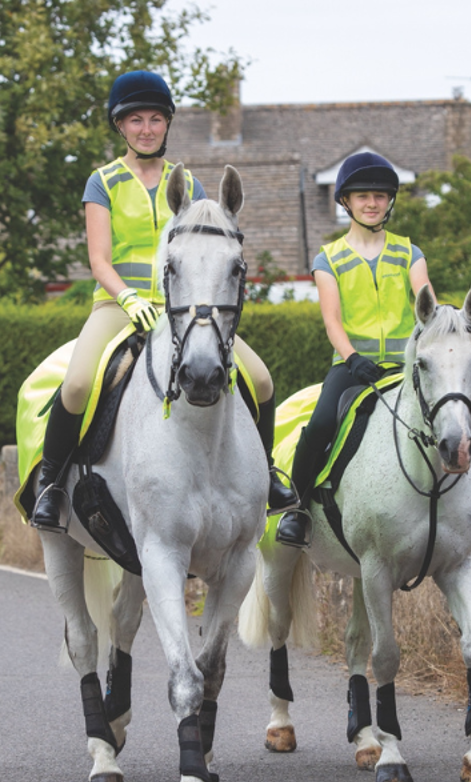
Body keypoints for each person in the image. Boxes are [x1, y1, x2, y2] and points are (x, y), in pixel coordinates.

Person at [32, 70, 297, 531]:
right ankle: (52, 486)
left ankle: (269, 473)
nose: (147, 128)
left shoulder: (190, 185)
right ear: (120, 126)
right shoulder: (103, 182)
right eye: (136, 120)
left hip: (187, 312)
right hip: (118, 306)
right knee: (76, 385)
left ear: (168, 124)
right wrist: (129, 297)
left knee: (262, 379)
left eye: (156, 119)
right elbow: (98, 259)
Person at [276, 152, 471, 550]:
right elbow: (332, 321)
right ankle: (298, 509)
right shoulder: (329, 258)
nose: (372, 203)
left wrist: (449, 323)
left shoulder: (408, 252)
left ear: (390, 201)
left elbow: (424, 297)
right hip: (353, 365)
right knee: (322, 424)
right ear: (345, 201)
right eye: (362, 196)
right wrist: (351, 358)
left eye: (379, 195)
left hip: (404, 367)